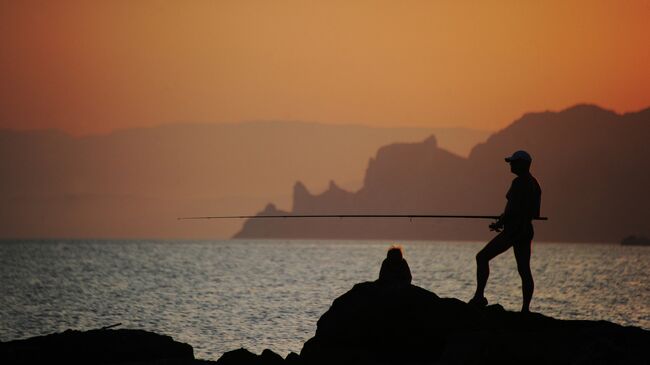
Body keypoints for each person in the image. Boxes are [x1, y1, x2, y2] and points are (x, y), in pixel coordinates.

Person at [469, 150, 542, 312]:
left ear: (523, 164)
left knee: (482, 257)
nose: (511, 164)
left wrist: (500, 222)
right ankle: (525, 309)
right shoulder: (535, 183)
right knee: (524, 270)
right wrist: (509, 219)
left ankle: (479, 297)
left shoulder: (518, 182)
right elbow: (535, 213)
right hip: (526, 230)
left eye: (514, 162)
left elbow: (511, 209)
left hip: (514, 231)